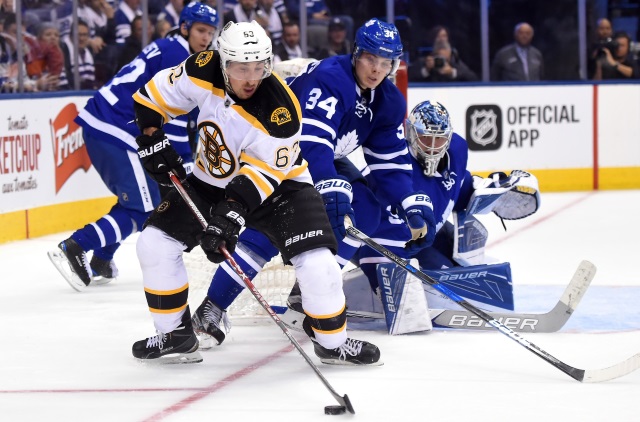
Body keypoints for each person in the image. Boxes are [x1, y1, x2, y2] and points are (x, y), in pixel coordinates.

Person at [129, 20, 381, 366]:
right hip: (210, 180)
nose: (250, 77)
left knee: (318, 262)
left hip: (282, 186)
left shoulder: (281, 111)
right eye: (239, 67)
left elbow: (260, 177)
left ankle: (332, 342)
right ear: (221, 62)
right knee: (153, 243)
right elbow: (151, 98)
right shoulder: (201, 68)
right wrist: (152, 136)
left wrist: (228, 219)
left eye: (259, 67)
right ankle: (175, 334)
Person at [192, 19, 433, 344]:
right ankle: (212, 306)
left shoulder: (386, 100)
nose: (376, 70)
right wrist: (329, 186)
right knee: (269, 231)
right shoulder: (331, 79)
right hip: (268, 149)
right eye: (370, 59)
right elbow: (311, 143)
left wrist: (409, 203)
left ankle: (309, 299)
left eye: (385, 62)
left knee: (364, 211)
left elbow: (389, 161)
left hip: (316, 157)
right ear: (356, 54)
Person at [47, 3, 219, 290]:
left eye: (210, 33)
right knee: (144, 208)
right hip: (116, 128)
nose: (205, 38)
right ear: (186, 27)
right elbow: (173, 118)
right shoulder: (178, 56)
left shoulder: (171, 48)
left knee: (139, 199)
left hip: (110, 125)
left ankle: (102, 257)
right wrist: (185, 167)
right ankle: (76, 245)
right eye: (201, 30)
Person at [408, 39, 478, 82]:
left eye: (445, 59)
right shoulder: (424, 62)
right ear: (434, 54)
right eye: (439, 58)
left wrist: (452, 72)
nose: (441, 62)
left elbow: (474, 78)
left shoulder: (455, 63)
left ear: (450, 55)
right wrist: (426, 70)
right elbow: (408, 77)